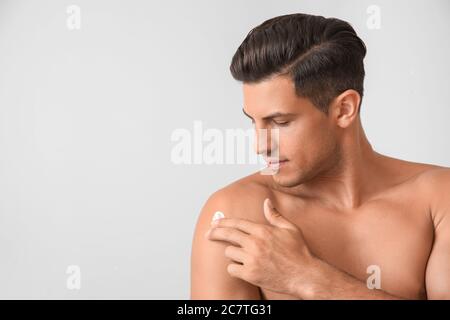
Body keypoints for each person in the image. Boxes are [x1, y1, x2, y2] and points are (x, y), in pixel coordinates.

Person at [190, 13, 450, 299]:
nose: (260, 146)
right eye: (254, 121)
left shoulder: (438, 199)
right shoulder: (237, 214)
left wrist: (309, 278)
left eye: (280, 122)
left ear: (344, 109)